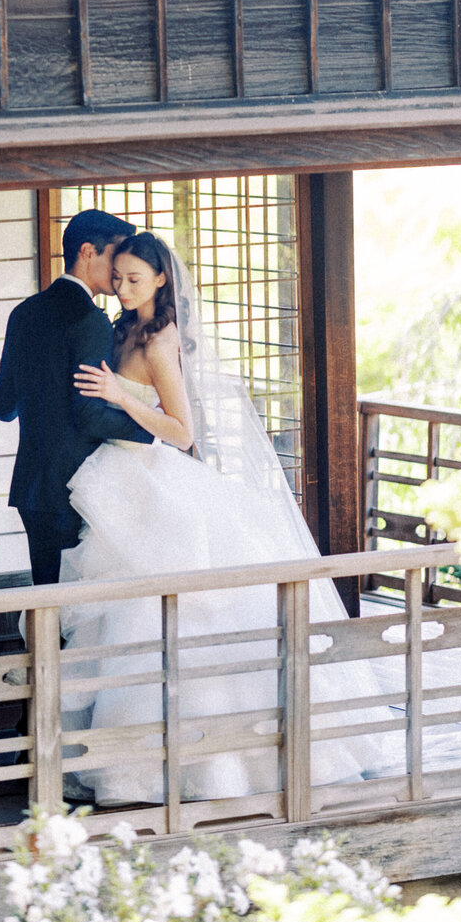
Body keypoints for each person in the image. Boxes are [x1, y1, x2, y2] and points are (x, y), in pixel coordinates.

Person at [60, 230, 404, 805]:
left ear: (162, 279)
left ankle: (219, 766)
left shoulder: (161, 340)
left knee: (175, 616)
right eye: (117, 278)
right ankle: (133, 762)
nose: (121, 289)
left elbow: (182, 431)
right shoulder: (121, 330)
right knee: (129, 620)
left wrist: (120, 398)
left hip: (156, 478)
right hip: (124, 481)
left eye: (134, 280)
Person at [0, 209, 193, 585]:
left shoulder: (24, 312)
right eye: (114, 259)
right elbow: (89, 415)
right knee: (76, 603)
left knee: (48, 597)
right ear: (87, 252)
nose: (118, 276)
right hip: (75, 487)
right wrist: (151, 435)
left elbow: (2, 406)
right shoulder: (91, 320)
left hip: (32, 485)